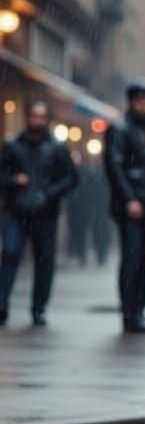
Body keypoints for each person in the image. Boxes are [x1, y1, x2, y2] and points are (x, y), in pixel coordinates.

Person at [0, 100, 78, 326]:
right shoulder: (13, 145)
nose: (37, 121)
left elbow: (71, 178)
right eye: (34, 116)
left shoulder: (57, 148)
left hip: (45, 213)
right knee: (10, 255)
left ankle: (39, 308)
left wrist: (49, 192)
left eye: (41, 117)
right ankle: (2, 304)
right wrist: (14, 180)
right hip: (17, 211)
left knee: (43, 263)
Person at [105, 79, 145, 333]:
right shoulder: (120, 129)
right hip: (131, 207)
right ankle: (129, 313)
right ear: (131, 101)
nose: (144, 104)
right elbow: (115, 167)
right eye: (140, 99)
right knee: (132, 258)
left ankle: (139, 309)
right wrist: (129, 199)